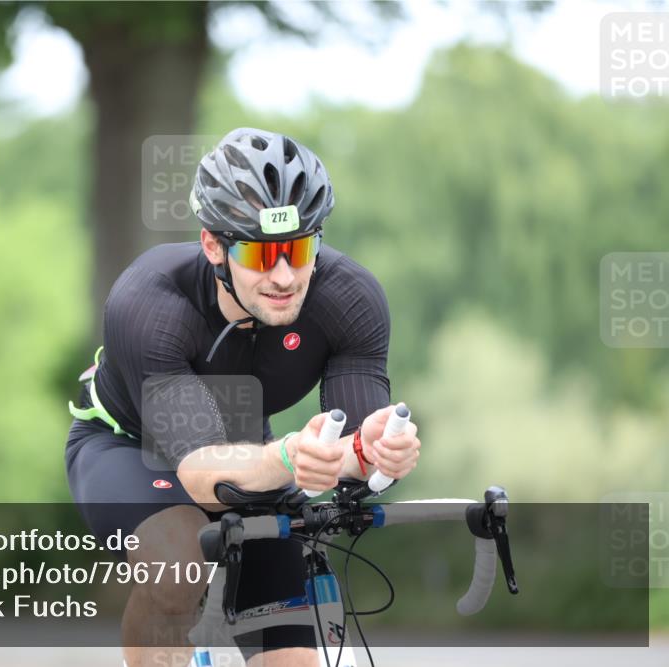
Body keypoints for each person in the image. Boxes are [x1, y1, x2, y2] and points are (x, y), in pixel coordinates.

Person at [66, 127, 421, 667]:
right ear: (214, 244)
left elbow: (355, 450)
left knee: (293, 659)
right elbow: (199, 474)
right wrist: (288, 457)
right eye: (260, 255)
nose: (284, 276)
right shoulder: (149, 301)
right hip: (130, 447)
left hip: (249, 451)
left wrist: (373, 455)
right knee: (180, 553)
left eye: (299, 250)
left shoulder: (349, 299)